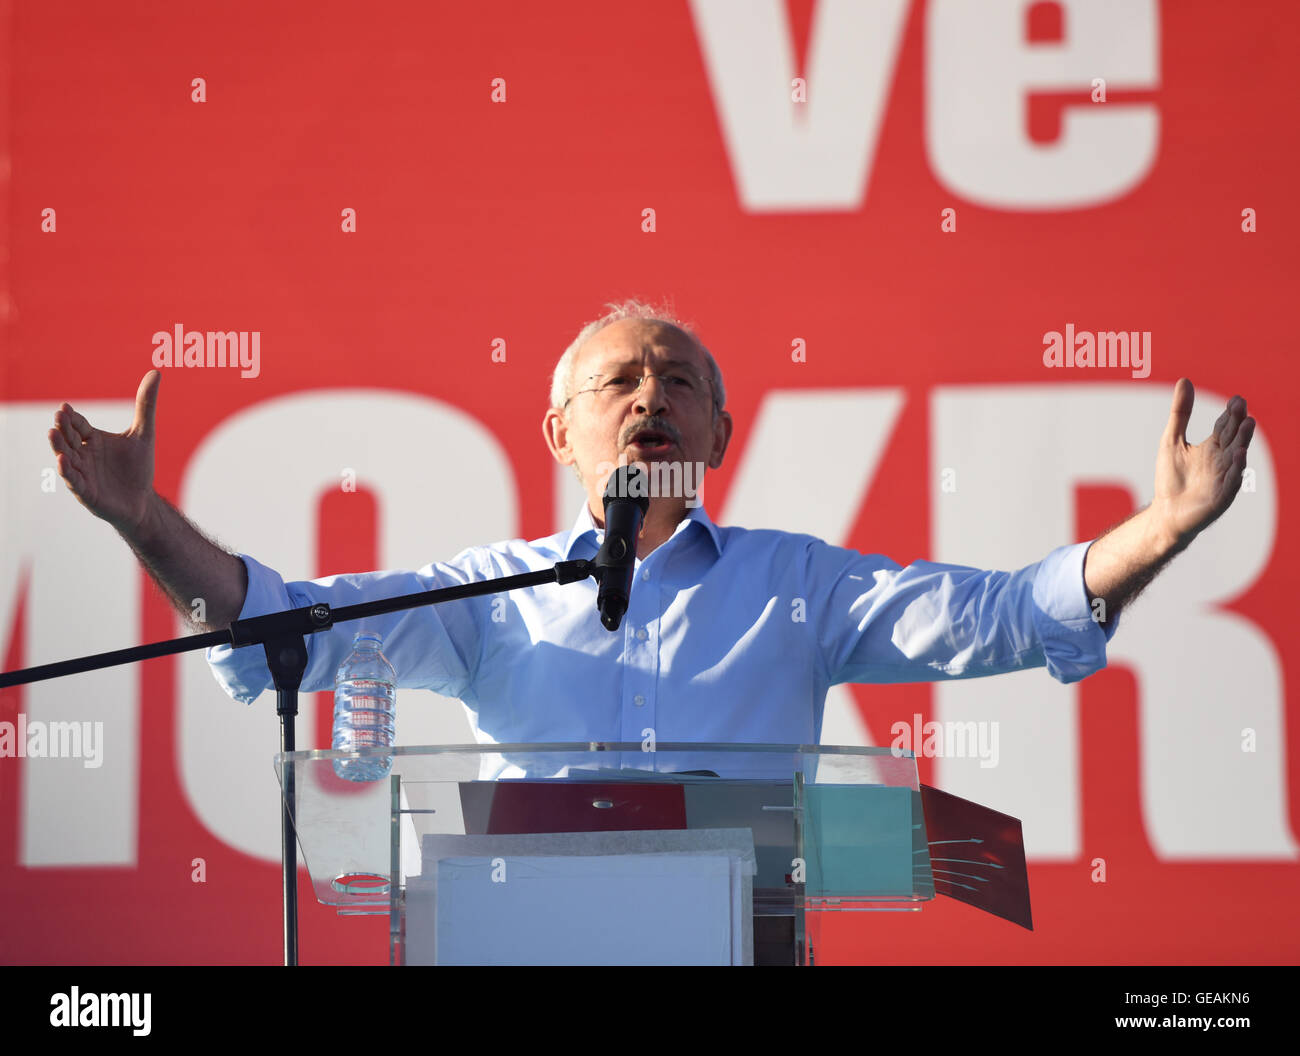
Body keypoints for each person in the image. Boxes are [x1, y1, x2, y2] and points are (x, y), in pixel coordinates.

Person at [46, 301, 1256, 754]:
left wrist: (1165, 527)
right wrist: (145, 522)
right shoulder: (486, 598)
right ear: (558, 433)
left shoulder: (799, 588)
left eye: (677, 382)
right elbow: (274, 630)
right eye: (618, 381)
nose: (649, 397)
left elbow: (1000, 616)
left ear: (719, 436)